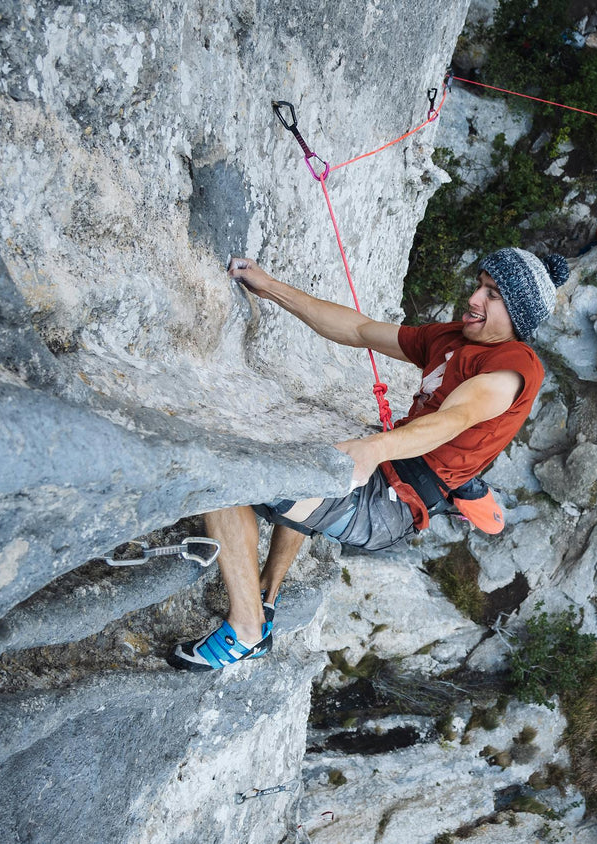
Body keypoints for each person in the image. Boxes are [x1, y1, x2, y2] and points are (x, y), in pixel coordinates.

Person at [167, 247, 568, 671]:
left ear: (517, 316)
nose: (474, 298)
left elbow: (457, 417)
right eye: (480, 286)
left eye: (492, 294)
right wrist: (270, 288)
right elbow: (358, 329)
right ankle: (265, 597)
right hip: (386, 477)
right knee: (314, 462)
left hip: (391, 504)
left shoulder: (514, 364)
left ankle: (246, 631)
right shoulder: (451, 338)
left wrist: (375, 448)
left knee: (226, 482)